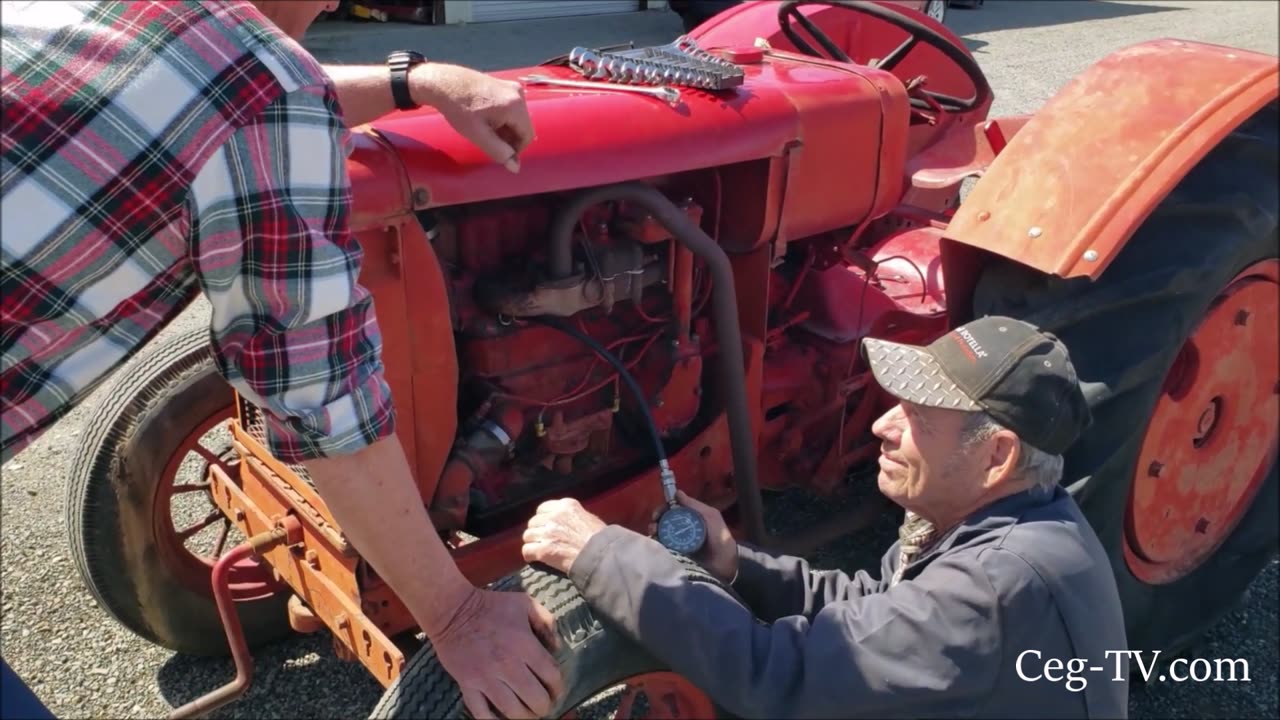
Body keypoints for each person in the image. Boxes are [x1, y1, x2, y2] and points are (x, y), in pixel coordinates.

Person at [1, 2, 561, 718]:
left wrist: (415, 82)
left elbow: (227, 82)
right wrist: (456, 615)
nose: (332, 3)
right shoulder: (262, 93)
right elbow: (326, 402)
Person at [521, 315, 1132, 719]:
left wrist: (600, 552)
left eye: (917, 418)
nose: (880, 426)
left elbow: (780, 675)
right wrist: (737, 568)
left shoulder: (995, 589)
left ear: (996, 456)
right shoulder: (1012, 521)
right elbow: (875, 609)